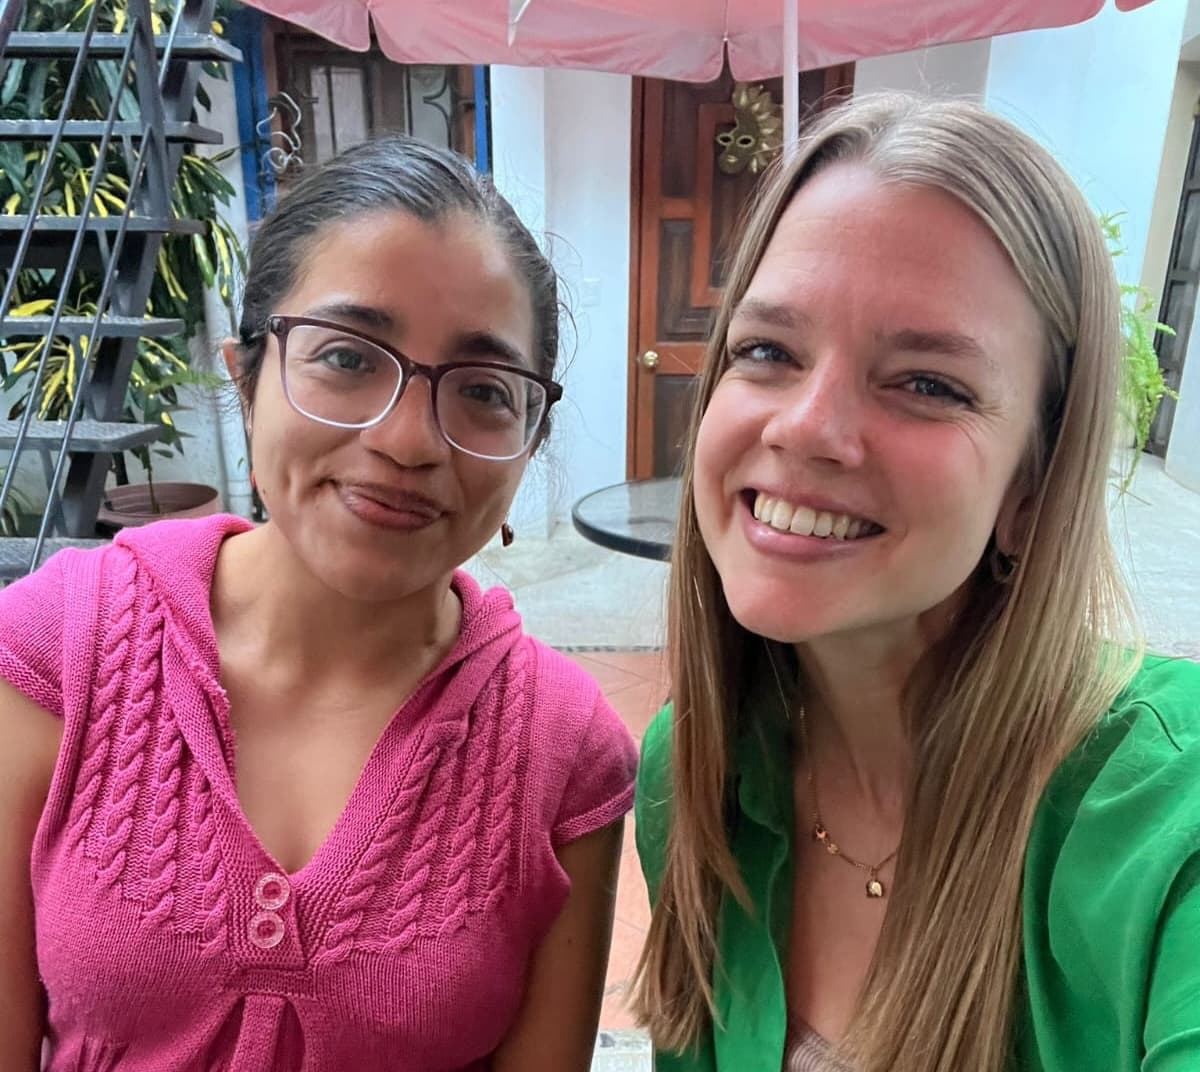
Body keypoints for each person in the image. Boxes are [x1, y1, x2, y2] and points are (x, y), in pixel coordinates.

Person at [0, 135, 637, 1071]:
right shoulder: (62, 646)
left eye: (485, 391)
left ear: (530, 440)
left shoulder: (562, 747)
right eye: (347, 357)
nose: (411, 441)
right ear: (246, 373)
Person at [632, 92, 1200, 1072]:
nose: (806, 428)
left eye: (927, 382)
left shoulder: (1168, 825)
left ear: (1033, 484)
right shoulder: (695, 770)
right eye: (768, 349)